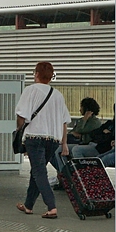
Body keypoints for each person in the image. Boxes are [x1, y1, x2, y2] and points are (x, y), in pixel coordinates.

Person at [15, 61, 71, 219]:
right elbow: (64, 122)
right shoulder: (58, 95)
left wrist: (19, 131)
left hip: (35, 137)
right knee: (36, 170)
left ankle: (51, 206)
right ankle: (28, 205)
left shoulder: (30, 90)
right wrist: (64, 143)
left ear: (37, 74)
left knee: (39, 171)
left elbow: (21, 115)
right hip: (52, 140)